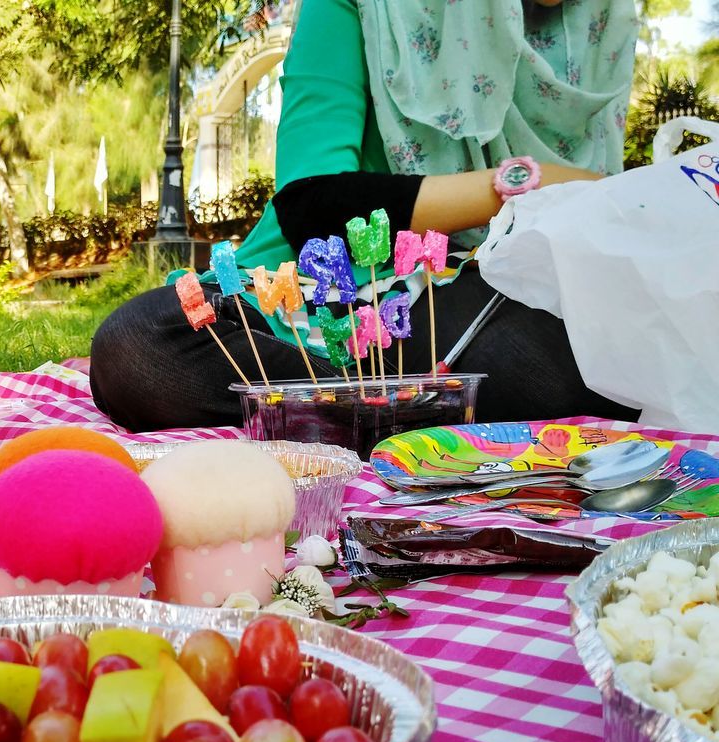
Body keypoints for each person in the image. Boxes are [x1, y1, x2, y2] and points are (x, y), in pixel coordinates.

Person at [91, 0, 641, 433]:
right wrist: (528, 183)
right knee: (140, 346)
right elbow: (314, 208)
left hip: (491, 305)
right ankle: (412, 412)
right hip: (326, 303)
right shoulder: (362, 5)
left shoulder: (603, 23)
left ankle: (321, 415)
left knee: (588, 352)